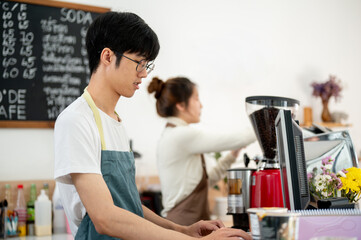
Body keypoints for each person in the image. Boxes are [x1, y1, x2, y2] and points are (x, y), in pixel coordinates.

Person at [54, 11, 252, 240]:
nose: (144, 73)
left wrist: (181, 229)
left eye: (147, 64)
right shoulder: (76, 121)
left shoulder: (115, 122)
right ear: (107, 57)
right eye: (139, 63)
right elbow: (105, 218)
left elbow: (129, 205)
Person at [148, 76, 256, 225]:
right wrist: (270, 122)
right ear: (180, 105)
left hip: (187, 223)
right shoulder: (181, 135)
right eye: (196, 99)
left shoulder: (173, 134)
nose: (201, 105)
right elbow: (240, 138)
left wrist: (232, 155)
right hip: (183, 225)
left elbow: (206, 182)